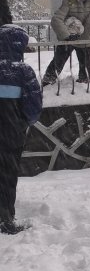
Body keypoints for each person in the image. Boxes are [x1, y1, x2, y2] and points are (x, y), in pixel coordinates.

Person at [0, 24, 43, 234]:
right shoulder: (23, 71)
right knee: (7, 174)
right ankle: (5, 218)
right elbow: (34, 105)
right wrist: (23, 123)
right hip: (11, 132)